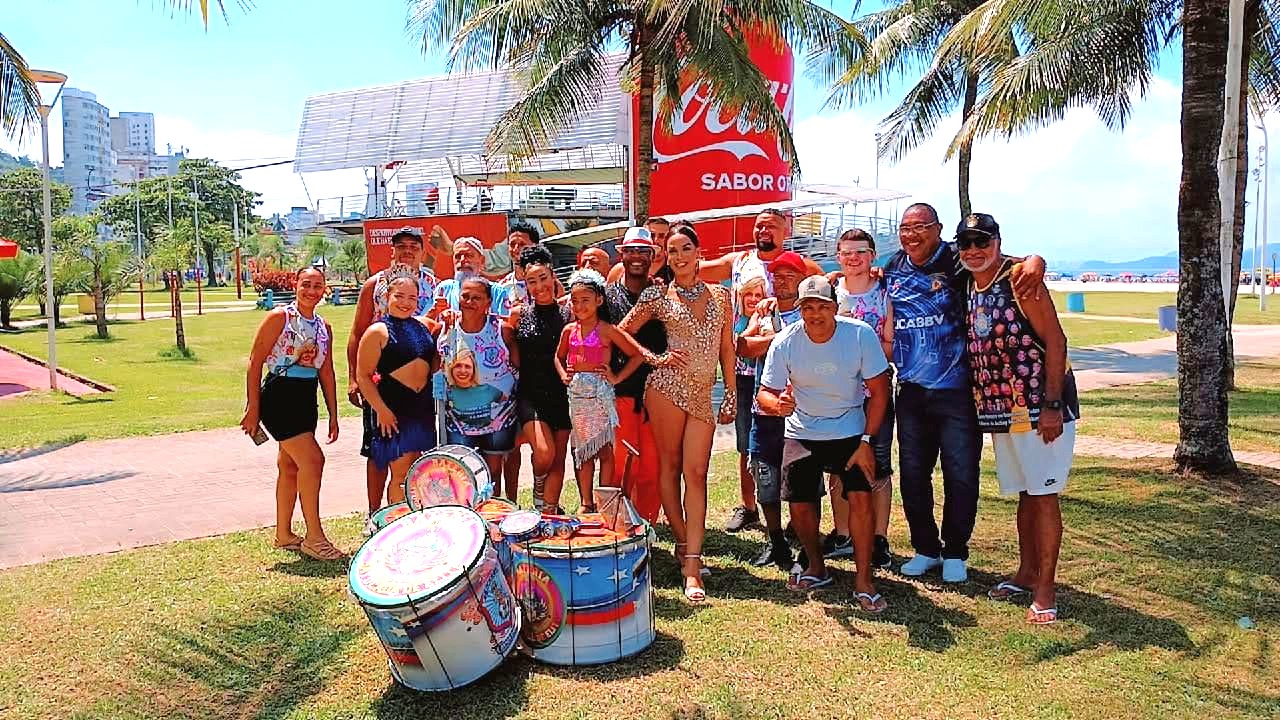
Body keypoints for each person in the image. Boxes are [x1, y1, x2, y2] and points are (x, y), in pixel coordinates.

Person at [888, 203, 1044, 583]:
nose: (911, 234)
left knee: (960, 474)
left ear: (938, 229)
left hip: (959, 391)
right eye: (905, 228)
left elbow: (1004, 261)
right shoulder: (892, 266)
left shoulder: (957, 259)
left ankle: (955, 551)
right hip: (910, 391)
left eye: (920, 227)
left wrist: (1036, 261)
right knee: (912, 474)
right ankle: (925, 549)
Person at [957, 213, 1078, 625]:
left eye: (981, 240)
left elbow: (1056, 340)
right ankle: (1027, 572)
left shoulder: (1020, 281)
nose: (973, 249)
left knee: (1044, 495)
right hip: (1004, 411)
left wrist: (1052, 405)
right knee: (1027, 493)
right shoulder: (971, 282)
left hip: (1041, 409)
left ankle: (1046, 587)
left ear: (997, 241)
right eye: (966, 242)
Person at [756, 275, 890, 612]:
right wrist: (778, 406)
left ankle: (864, 579)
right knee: (799, 503)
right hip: (803, 430)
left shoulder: (859, 334)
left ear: (835, 307)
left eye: (823, 306)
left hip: (850, 430)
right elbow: (765, 394)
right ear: (799, 310)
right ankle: (817, 566)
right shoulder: (785, 341)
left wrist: (866, 441)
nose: (815, 314)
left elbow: (879, 390)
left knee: (861, 497)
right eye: (808, 307)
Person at [620, 223, 734, 603]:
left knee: (697, 473)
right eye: (672, 251)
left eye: (686, 249)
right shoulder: (657, 295)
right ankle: (689, 558)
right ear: (666, 258)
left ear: (699, 253)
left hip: (702, 394)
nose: (680, 257)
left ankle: (690, 555)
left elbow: (727, 350)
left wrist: (731, 392)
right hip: (665, 390)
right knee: (670, 467)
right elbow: (622, 332)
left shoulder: (721, 296)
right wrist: (653, 358)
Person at [699, 209, 823, 532]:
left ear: (786, 231)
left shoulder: (802, 265)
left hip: (789, 372)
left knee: (794, 444)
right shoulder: (738, 261)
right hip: (745, 366)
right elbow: (696, 270)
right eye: (759, 225)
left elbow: (828, 286)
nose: (764, 230)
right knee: (747, 444)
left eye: (771, 225)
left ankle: (795, 512)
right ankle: (749, 506)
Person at [240, 267, 344, 561]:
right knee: (313, 460)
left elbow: (327, 371)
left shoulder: (324, 327)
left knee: (290, 466)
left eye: (318, 285)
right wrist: (253, 408)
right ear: (296, 285)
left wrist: (333, 414)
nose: (312, 290)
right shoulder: (279, 317)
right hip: (279, 397)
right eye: (306, 284)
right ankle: (314, 537)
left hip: (305, 398)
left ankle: (284, 534)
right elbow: (255, 361)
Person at [347, 227, 440, 533]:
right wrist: (354, 380)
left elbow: (436, 333)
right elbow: (357, 333)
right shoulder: (374, 285)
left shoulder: (433, 287)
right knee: (380, 455)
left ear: (422, 251)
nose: (408, 251)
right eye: (401, 246)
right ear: (392, 250)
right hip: (383, 386)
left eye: (414, 246)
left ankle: (406, 518)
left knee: (414, 461)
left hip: (421, 395)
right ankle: (376, 516)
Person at [824, 229, 896, 569]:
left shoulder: (884, 294)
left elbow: (889, 344)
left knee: (878, 466)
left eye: (861, 252)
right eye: (847, 252)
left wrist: (856, 351)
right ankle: (843, 533)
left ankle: (879, 538)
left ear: (872, 256)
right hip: (838, 396)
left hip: (875, 395)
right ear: (838, 256)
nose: (854, 258)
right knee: (837, 467)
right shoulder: (829, 292)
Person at [554, 268, 648, 512]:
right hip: (577, 398)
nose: (579, 306)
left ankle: (604, 499)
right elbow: (558, 356)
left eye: (585, 300)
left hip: (600, 396)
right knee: (583, 451)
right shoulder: (568, 331)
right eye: (574, 301)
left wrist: (616, 378)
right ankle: (586, 502)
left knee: (605, 450)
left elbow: (636, 355)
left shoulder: (607, 329)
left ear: (599, 300)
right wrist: (564, 374)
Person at [735, 252, 806, 570]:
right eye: (777, 275)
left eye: (790, 274)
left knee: (802, 481)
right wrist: (780, 338)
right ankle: (775, 541)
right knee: (765, 477)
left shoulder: (812, 310)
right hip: (764, 409)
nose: (782, 279)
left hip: (803, 413)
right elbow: (743, 347)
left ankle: (802, 539)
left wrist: (769, 341)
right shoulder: (765, 312)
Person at [355, 267, 441, 500]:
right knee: (401, 476)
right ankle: (398, 524)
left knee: (418, 472)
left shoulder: (423, 325)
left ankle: (411, 521)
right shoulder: (378, 331)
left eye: (412, 297)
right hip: (393, 411)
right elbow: (363, 376)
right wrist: (381, 411)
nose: (405, 302)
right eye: (399, 296)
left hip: (421, 409)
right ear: (387, 297)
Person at [604, 227, 668, 523]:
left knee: (652, 471)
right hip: (621, 395)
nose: (637, 257)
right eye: (631, 251)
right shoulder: (606, 298)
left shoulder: (664, 297)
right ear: (622, 254)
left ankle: (645, 532)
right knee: (620, 469)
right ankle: (618, 530)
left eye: (644, 251)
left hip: (657, 395)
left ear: (653, 255)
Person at [440, 276, 521, 488]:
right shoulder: (446, 328)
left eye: (477, 298)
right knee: (462, 473)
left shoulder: (502, 330)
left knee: (493, 472)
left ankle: (494, 515)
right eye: (465, 296)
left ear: (488, 302)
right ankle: (470, 517)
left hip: (499, 418)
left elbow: (518, 366)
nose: (469, 302)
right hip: (458, 420)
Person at [510, 245, 573, 511]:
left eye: (543, 278)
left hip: (562, 396)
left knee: (558, 460)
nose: (539, 286)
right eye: (531, 282)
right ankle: (538, 484)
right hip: (531, 395)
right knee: (544, 452)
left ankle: (547, 511)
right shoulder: (518, 315)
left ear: (553, 276)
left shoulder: (570, 312)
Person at [724, 272, 768, 534]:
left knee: (770, 448)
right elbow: (736, 346)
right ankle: (749, 506)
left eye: (758, 295)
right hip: (742, 383)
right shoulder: (735, 319)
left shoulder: (770, 317)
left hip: (764, 382)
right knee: (744, 448)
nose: (752, 299)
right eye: (748, 294)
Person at [431, 237, 510, 317]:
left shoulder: (497, 292)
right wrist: (435, 312)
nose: (462, 260)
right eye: (458, 256)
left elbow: (505, 324)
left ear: (482, 261)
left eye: (468, 255)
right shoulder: (444, 289)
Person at [607, 217, 673, 284]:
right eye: (652, 235)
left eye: (661, 236)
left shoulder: (674, 268)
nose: (656, 240)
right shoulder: (619, 270)